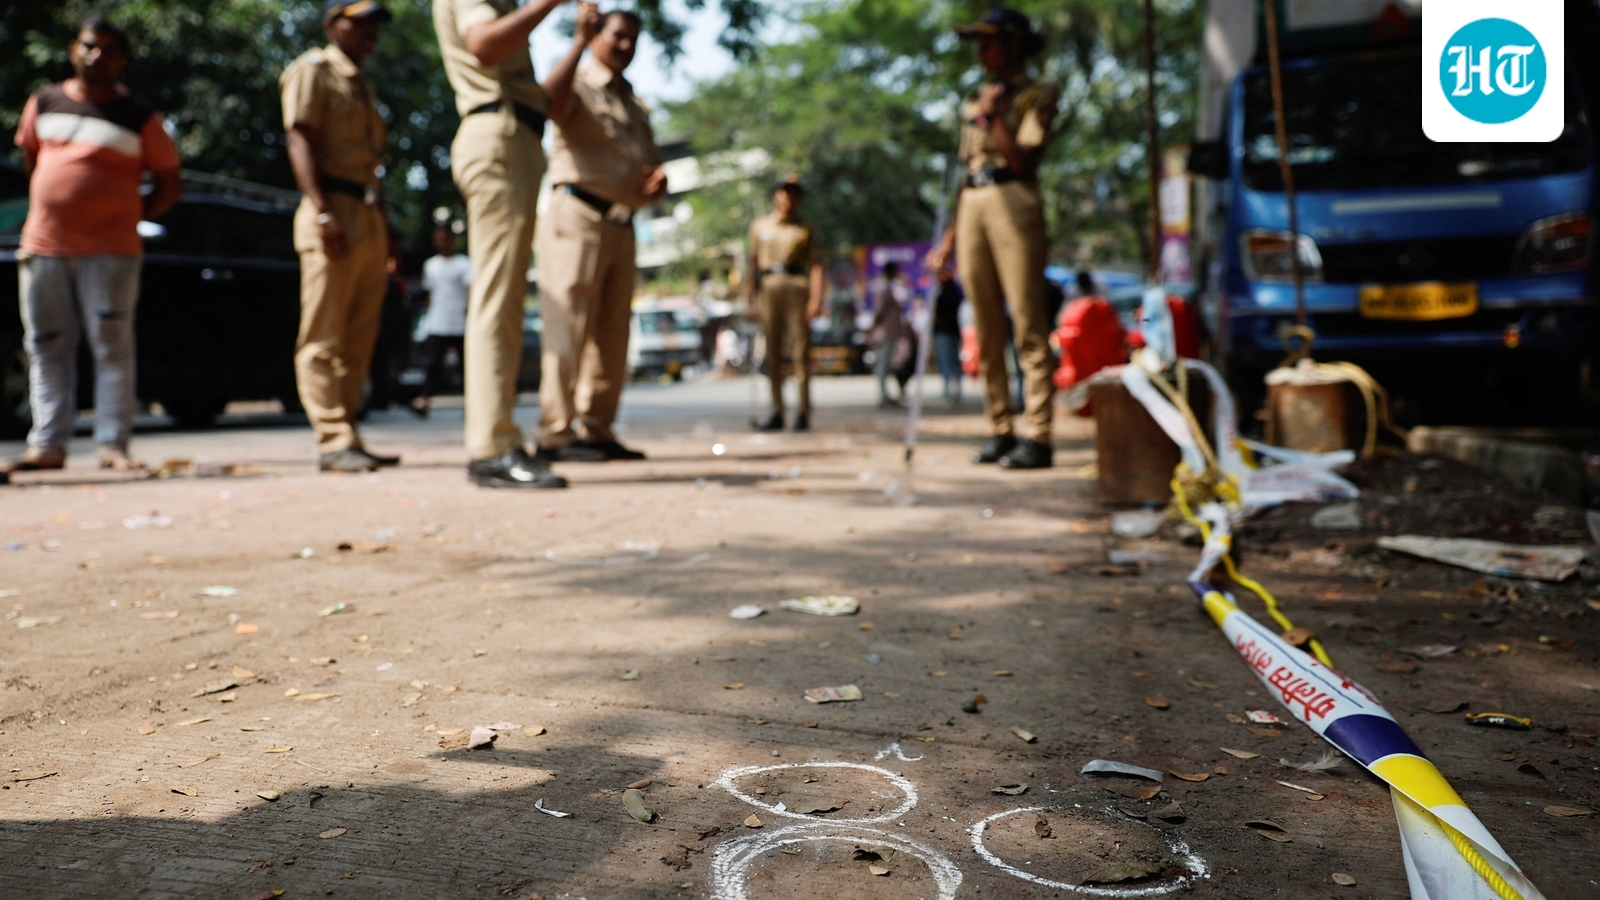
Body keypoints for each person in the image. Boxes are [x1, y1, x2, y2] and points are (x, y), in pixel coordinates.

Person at [1, 17, 181, 477]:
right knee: (45, 345)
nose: (96, 55)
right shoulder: (44, 102)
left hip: (112, 250)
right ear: (72, 50)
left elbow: (169, 182)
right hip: (44, 245)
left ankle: (112, 445)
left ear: (122, 60)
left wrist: (127, 215)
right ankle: (47, 445)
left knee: (112, 347)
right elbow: (33, 160)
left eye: (108, 49)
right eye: (88, 46)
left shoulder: (139, 117)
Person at [435, 0, 571, 488]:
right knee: (497, 300)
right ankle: (492, 446)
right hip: (499, 135)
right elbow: (484, 45)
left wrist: (578, 40)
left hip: (515, 134)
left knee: (506, 298)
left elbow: (544, 101)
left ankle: (496, 439)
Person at [927, 7, 1059, 470]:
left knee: (1027, 321)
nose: (980, 52)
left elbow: (1022, 160)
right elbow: (969, 173)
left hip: (1014, 199)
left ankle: (1038, 434)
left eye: (988, 42)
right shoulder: (976, 97)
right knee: (984, 327)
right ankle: (1001, 428)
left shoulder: (1037, 93)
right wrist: (948, 242)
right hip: (974, 205)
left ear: (1014, 44)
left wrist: (993, 117)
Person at [535, 5, 664, 462]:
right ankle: (555, 433)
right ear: (595, 34)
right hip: (577, 217)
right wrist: (577, 42)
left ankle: (597, 429)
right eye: (617, 35)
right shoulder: (578, 81)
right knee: (567, 327)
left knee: (613, 334)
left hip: (624, 224)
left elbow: (648, 165)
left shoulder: (633, 101)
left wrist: (655, 186)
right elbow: (547, 104)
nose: (626, 46)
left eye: (633, 39)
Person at [280, 0, 401, 473]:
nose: (370, 30)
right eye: (359, 20)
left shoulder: (363, 84)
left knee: (359, 335)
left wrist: (385, 231)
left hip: (366, 213)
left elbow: (372, 167)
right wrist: (323, 211)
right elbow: (300, 138)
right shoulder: (313, 70)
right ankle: (332, 438)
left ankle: (348, 432)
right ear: (332, 24)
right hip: (330, 208)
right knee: (324, 334)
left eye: (375, 23)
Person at [746, 179, 823, 432]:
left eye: (794, 194)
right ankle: (777, 410)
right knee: (772, 352)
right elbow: (752, 265)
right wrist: (750, 301)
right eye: (785, 193)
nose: (789, 199)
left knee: (800, 351)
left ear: (799, 199)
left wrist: (816, 299)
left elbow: (817, 266)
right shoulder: (760, 226)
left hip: (796, 287)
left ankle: (803, 411)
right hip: (768, 287)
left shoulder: (804, 228)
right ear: (776, 196)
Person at [410, 224, 472, 417]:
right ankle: (424, 399)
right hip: (439, 322)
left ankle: (471, 405)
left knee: (466, 366)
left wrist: (469, 309)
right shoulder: (431, 265)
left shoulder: (463, 263)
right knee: (433, 363)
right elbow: (429, 293)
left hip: (461, 322)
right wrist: (427, 319)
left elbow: (471, 290)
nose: (442, 242)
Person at [868, 262, 912, 407]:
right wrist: (872, 327)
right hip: (885, 332)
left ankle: (885, 394)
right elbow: (879, 311)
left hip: (888, 331)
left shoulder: (888, 286)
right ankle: (883, 395)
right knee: (883, 364)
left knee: (886, 364)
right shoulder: (884, 287)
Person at [932, 272, 965, 405]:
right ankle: (956, 390)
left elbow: (937, 315)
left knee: (946, 362)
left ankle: (948, 391)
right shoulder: (955, 294)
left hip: (944, 332)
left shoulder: (943, 295)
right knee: (954, 362)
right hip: (953, 331)